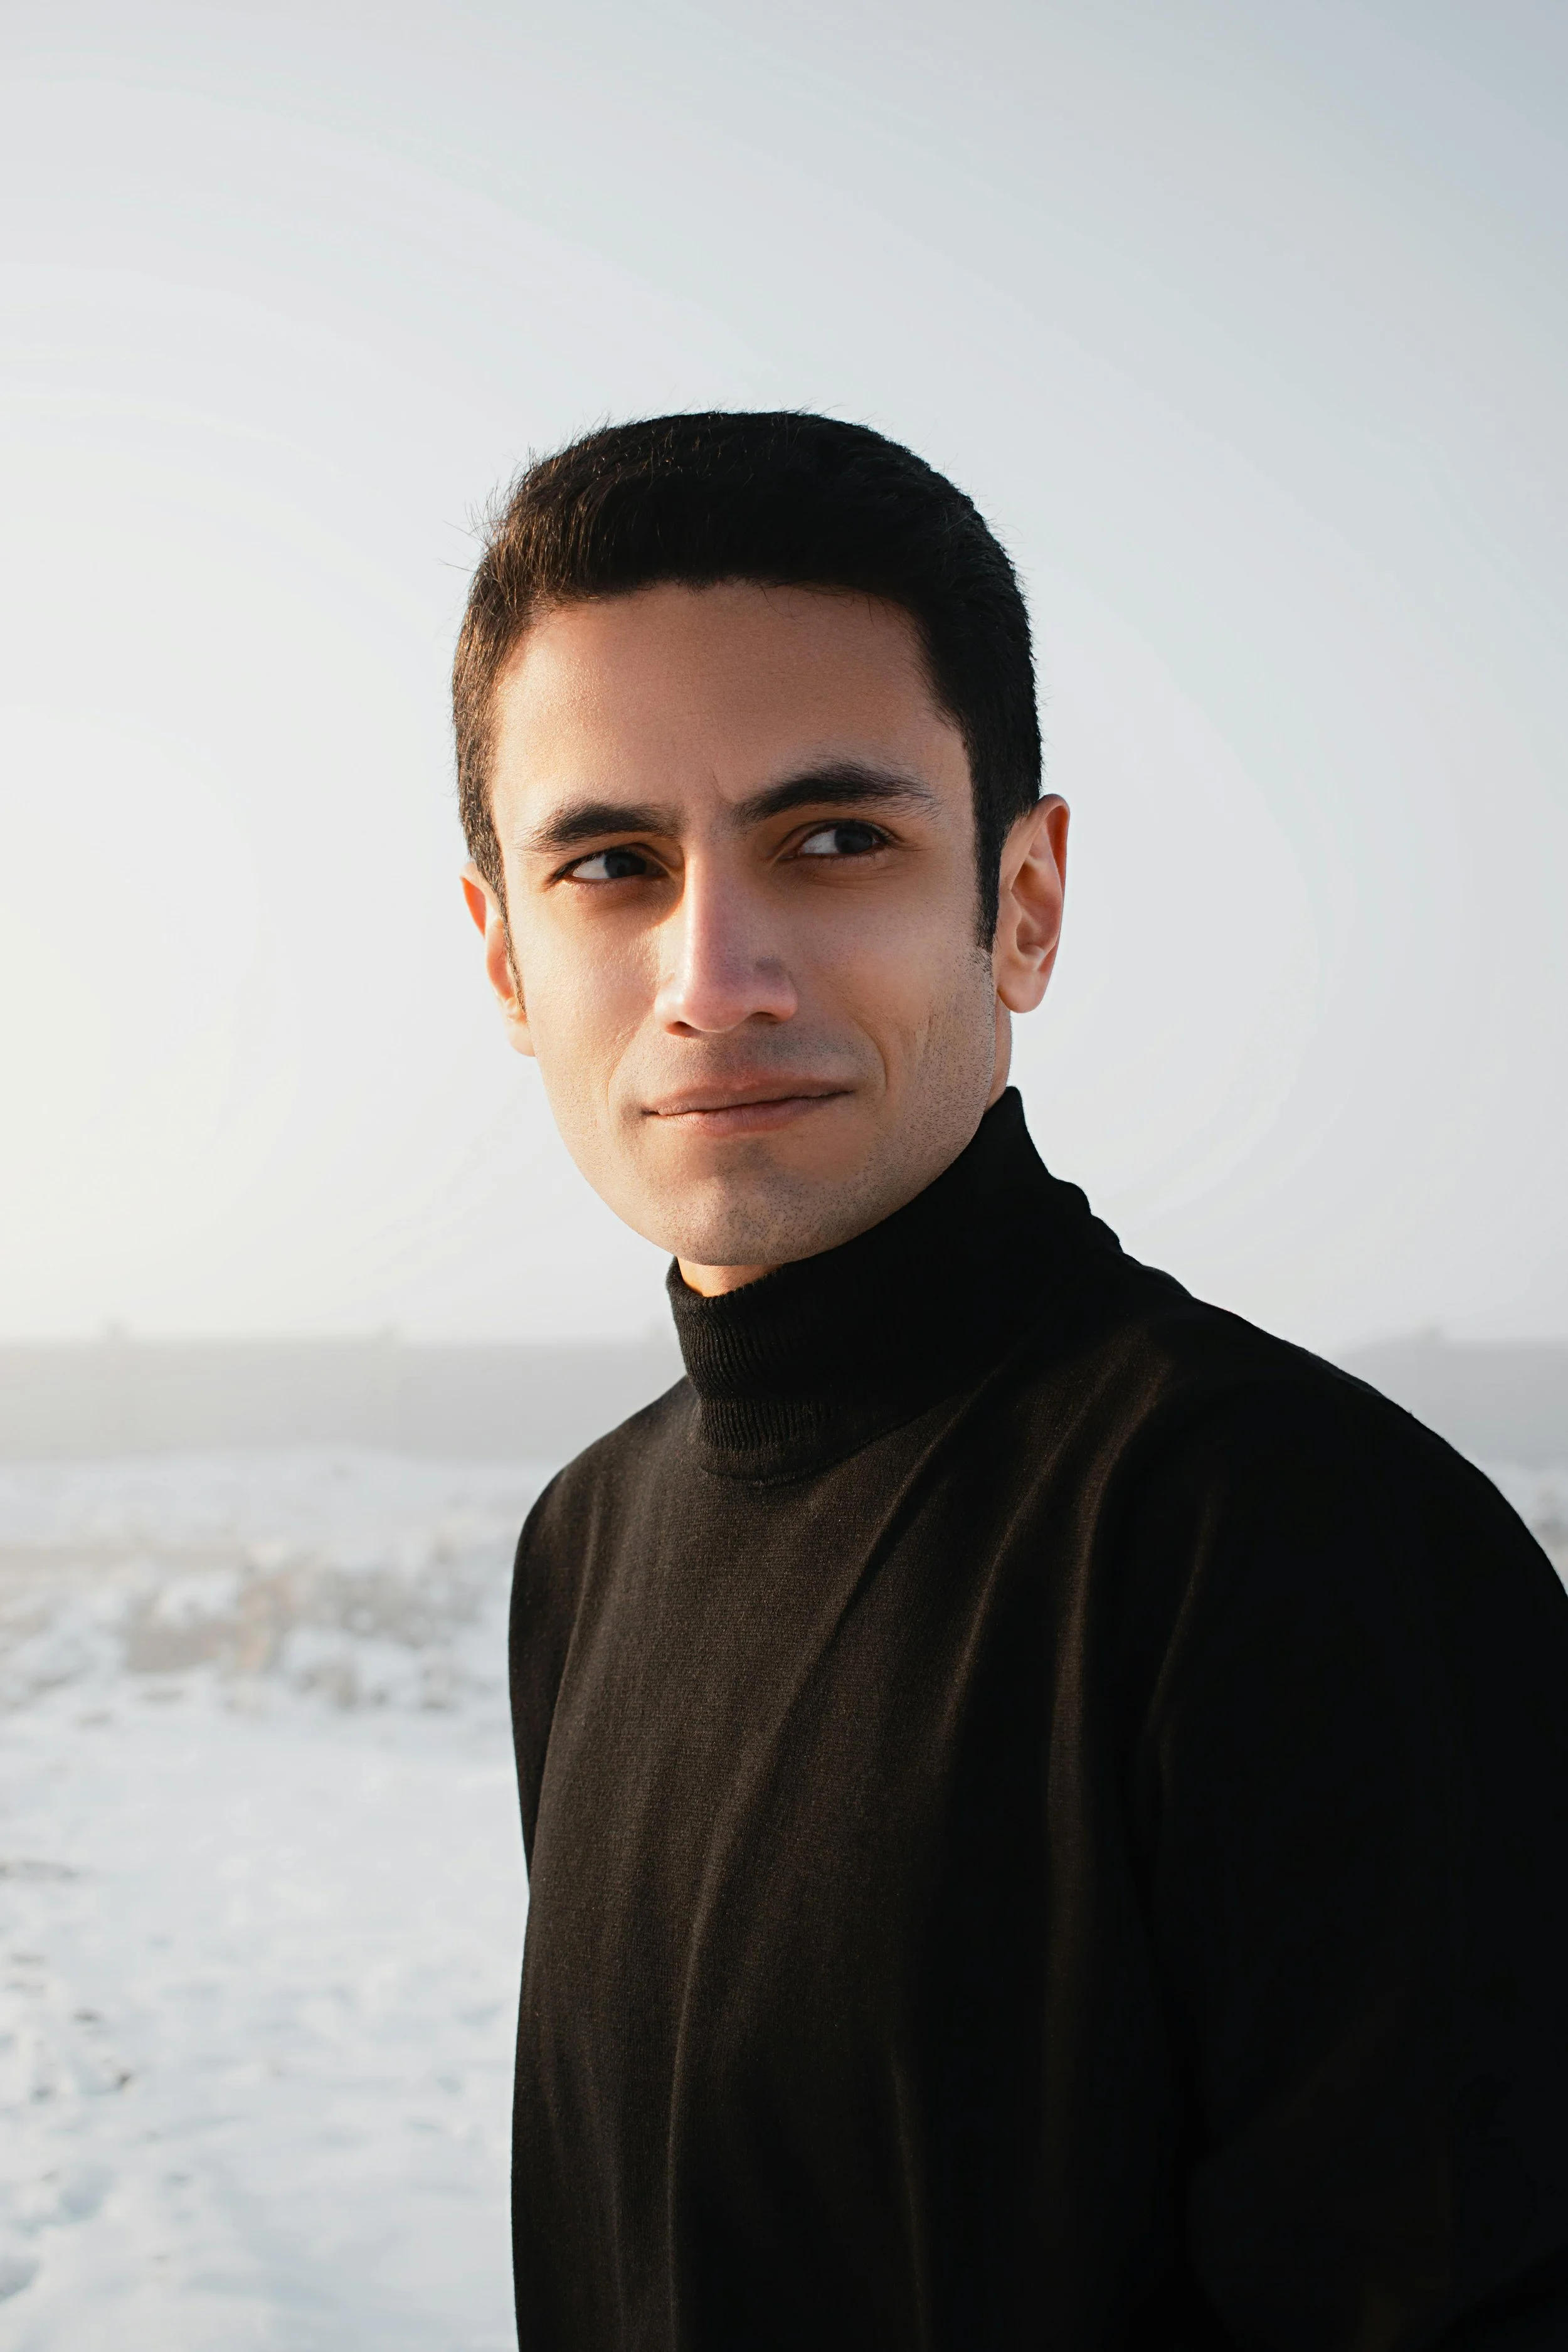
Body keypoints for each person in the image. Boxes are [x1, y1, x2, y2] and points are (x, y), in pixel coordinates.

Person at [455, 411, 1568, 2350]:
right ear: (503, 961)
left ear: (1024, 900)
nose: (715, 975)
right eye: (613, 863)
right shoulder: (585, 1543)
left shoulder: (1294, 1544)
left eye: (831, 840)